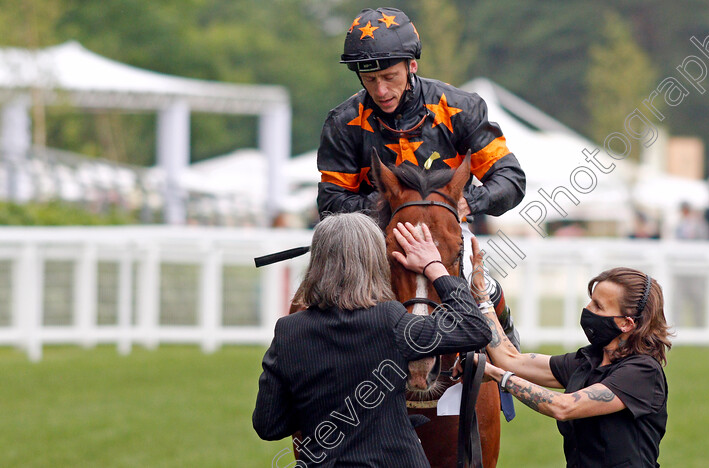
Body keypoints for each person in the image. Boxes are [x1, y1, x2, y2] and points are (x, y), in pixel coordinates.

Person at [316, 7, 524, 350]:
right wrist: (397, 208)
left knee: (485, 289)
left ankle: (507, 356)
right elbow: (330, 204)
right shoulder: (343, 122)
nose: (381, 90)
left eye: (389, 77)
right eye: (370, 80)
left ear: (411, 66)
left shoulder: (462, 108)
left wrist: (469, 201)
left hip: (447, 232)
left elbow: (511, 180)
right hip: (377, 241)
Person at [252, 213, 490, 467]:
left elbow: (269, 425)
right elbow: (474, 328)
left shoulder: (289, 330)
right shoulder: (390, 320)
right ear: (375, 262)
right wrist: (435, 267)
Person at [468, 238, 672, 467]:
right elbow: (510, 359)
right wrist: (483, 299)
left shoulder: (643, 372)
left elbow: (563, 406)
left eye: (598, 306)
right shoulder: (588, 360)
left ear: (626, 323)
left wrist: (498, 376)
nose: (587, 310)